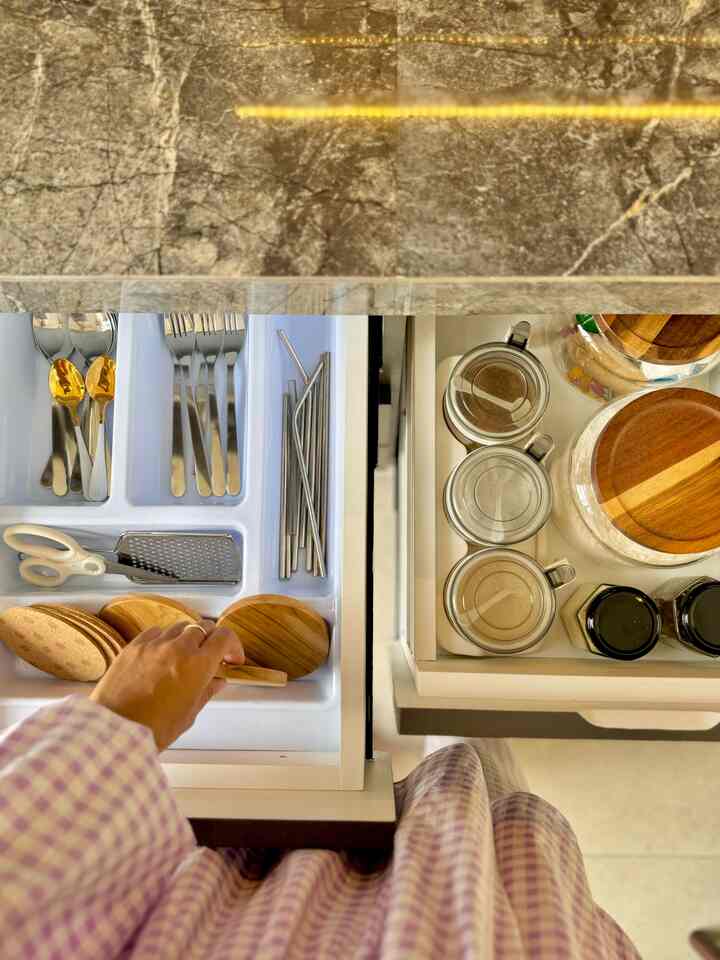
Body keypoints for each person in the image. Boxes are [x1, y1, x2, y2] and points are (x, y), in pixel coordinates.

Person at [0, 620, 642, 960]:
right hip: (493, 901)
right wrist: (126, 716)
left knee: (461, 752)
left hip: (253, 904)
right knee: (468, 758)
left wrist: (127, 718)